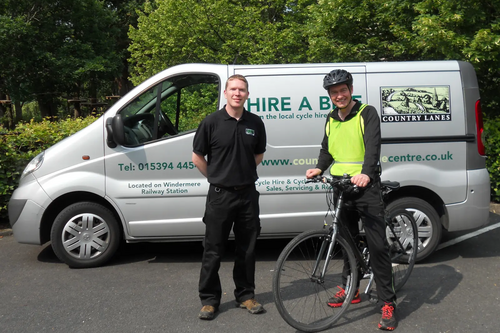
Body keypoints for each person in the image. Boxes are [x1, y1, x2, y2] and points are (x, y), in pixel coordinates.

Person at [305, 69, 397, 331]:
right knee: (346, 241)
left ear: (350, 89)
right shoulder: (331, 118)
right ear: (329, 96)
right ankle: (351, 288)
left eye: (342, 90)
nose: (339, 96)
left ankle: (388, 302)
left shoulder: (366, 113)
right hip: (342, 187)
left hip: (366, 188)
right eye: (334, 93)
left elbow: (373, 147)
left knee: (377, 246)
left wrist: (367, 173)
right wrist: (319, 168)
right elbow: (327, 150)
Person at [192, 74, 267, 320]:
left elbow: (258, 155)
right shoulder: (211, 122)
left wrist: (241, 174)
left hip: (247, 196)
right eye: (233, 89)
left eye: (242, 90)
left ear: (247, 94)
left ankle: (245, 295)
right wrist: (216, 178)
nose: (237, 93)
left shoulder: (255, 123)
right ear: (225, 93)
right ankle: (210, 300)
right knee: (213, 250)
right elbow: (198, 157)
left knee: (247, 249)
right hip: (219, 196)